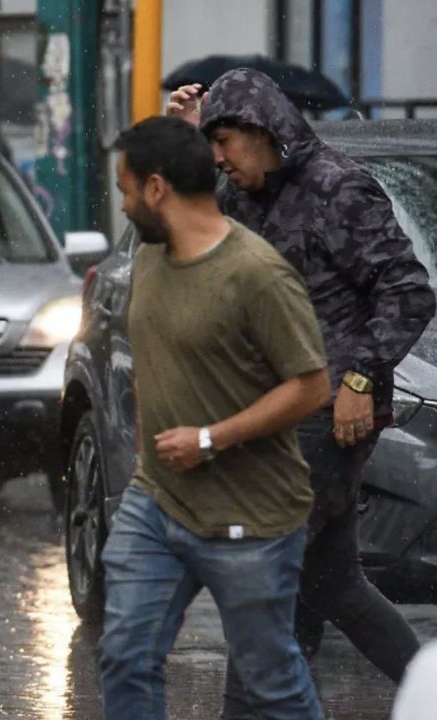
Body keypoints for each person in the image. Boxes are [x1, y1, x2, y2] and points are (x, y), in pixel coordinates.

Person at [168, 69, 435, 714]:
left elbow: (407, 289)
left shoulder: (339, 190)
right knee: (332, 583)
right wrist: (186, 141)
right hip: (273, 414)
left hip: (324, 414)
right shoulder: (244, 193)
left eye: (226, 142)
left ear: (265, 131)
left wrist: (364, 378)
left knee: (260, 579)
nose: (221, 159)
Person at [100, 116, 330, 720]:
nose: (123, 206)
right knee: (125, 656)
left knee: (270, 684)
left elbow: (311, 387)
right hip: (157, 502)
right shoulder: (151, 258)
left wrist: (211, 439)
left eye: (126, 190)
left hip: (250, 516)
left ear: (156, 189)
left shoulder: (256, 273)